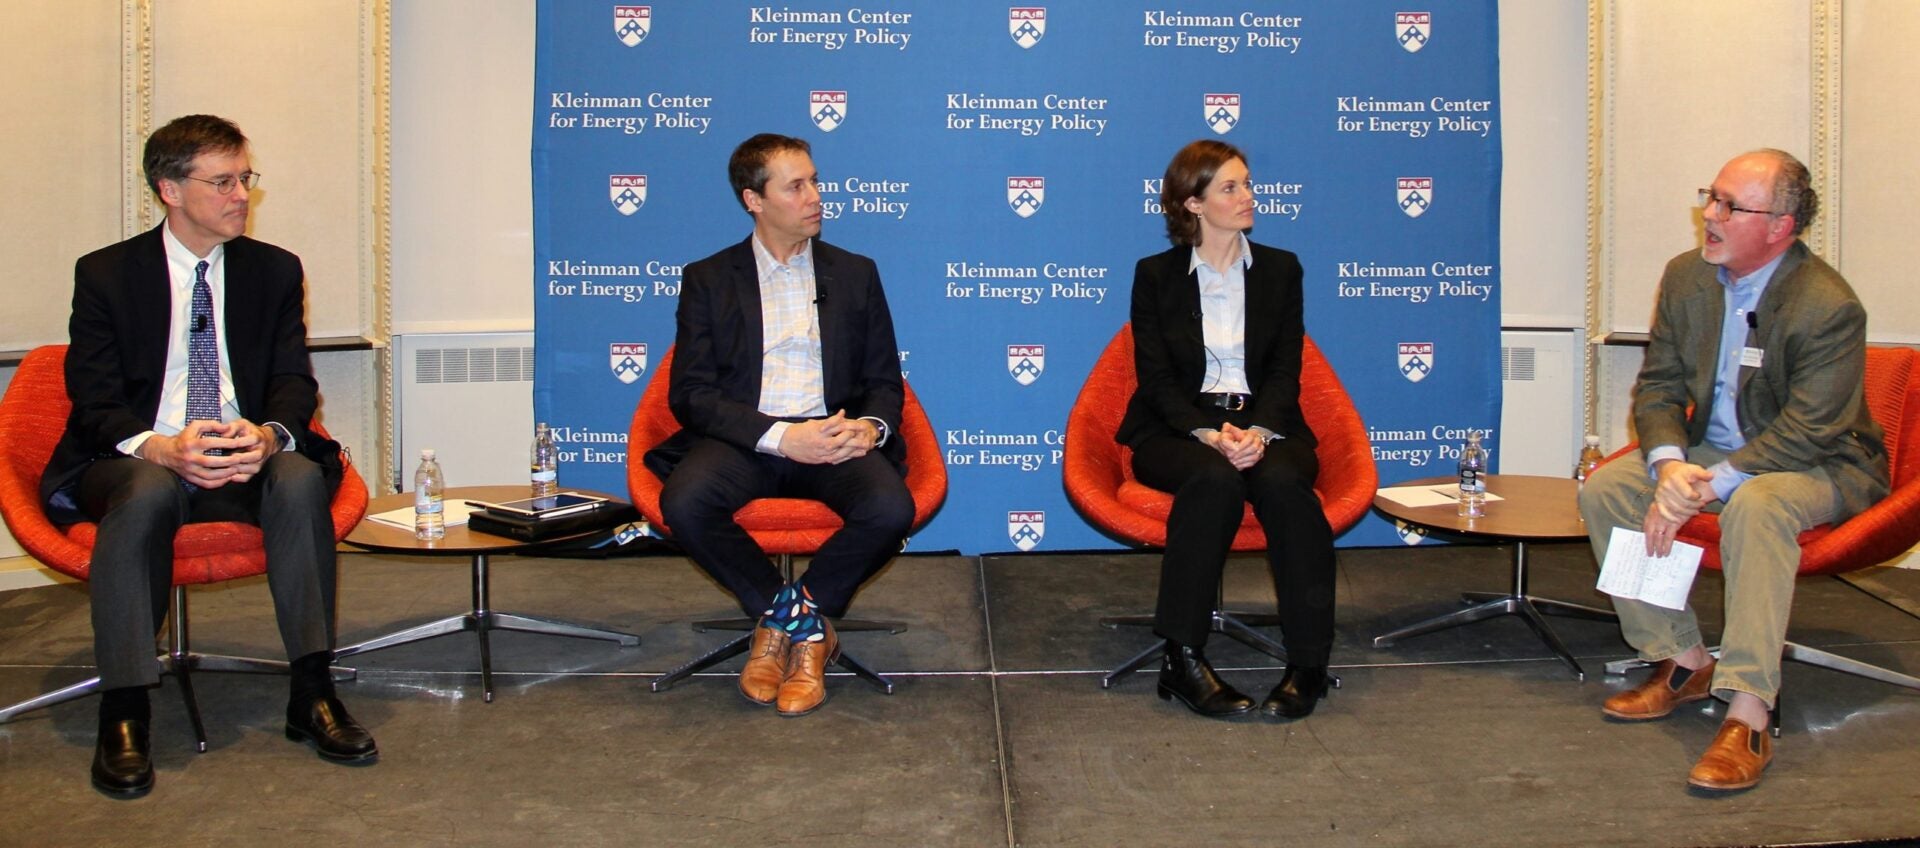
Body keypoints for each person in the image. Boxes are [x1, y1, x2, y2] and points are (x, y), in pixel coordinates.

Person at [43, 115, 377, 797]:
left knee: (299, 478)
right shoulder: (106, 274)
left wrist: (269, 435)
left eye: (245, 179)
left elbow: (293, 379)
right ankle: (126, 709)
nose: (240, 196)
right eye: (222, 182)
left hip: (242, 450)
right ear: (169, 188)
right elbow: (94, 398)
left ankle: (312, 693)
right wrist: (162, 447)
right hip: (141, 451)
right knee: (147, 493)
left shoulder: (273, 270)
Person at [1580, 149, 1887, 792]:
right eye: (1710, 197)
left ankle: (1749, 707)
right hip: (1709, 453)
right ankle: (1682, 658)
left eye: (1729, 206)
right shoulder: (1688, 277)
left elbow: (1808, 430)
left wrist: (1707, 486)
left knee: (1758, 504)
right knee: (1609, 488)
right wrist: (1668, 469)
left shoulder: (1826, 304)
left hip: (1820, 461)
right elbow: (1659, 387)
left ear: (1780, 225)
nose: (1709, 216)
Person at [645, 133, 913, 717]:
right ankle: (802, 628)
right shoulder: (709, 279)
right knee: (687, 502)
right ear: (754, 200)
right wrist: (781, 436)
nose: (816, 196)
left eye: (815, 181)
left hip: (833, 433)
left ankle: (787, 624)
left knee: (891, 509)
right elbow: (691, 395)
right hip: (747, 438)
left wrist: (869, 428)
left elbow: (884, 380)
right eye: (797, 186)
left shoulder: (856, 273)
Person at [1117, 139, 1337, 721]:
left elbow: (1288, 367)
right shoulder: (1155, 276)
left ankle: (1309, 662)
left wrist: (1259, 431)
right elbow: (1156, 379)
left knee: (1289, 487)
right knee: (1213, 482)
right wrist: (1208, 433)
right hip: (1178, 428)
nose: (1248, 196)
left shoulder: (1281, 270)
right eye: (1230, 188)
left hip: (1266, 421)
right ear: (1192, 204)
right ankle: (1183, 659)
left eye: (1248, 183)